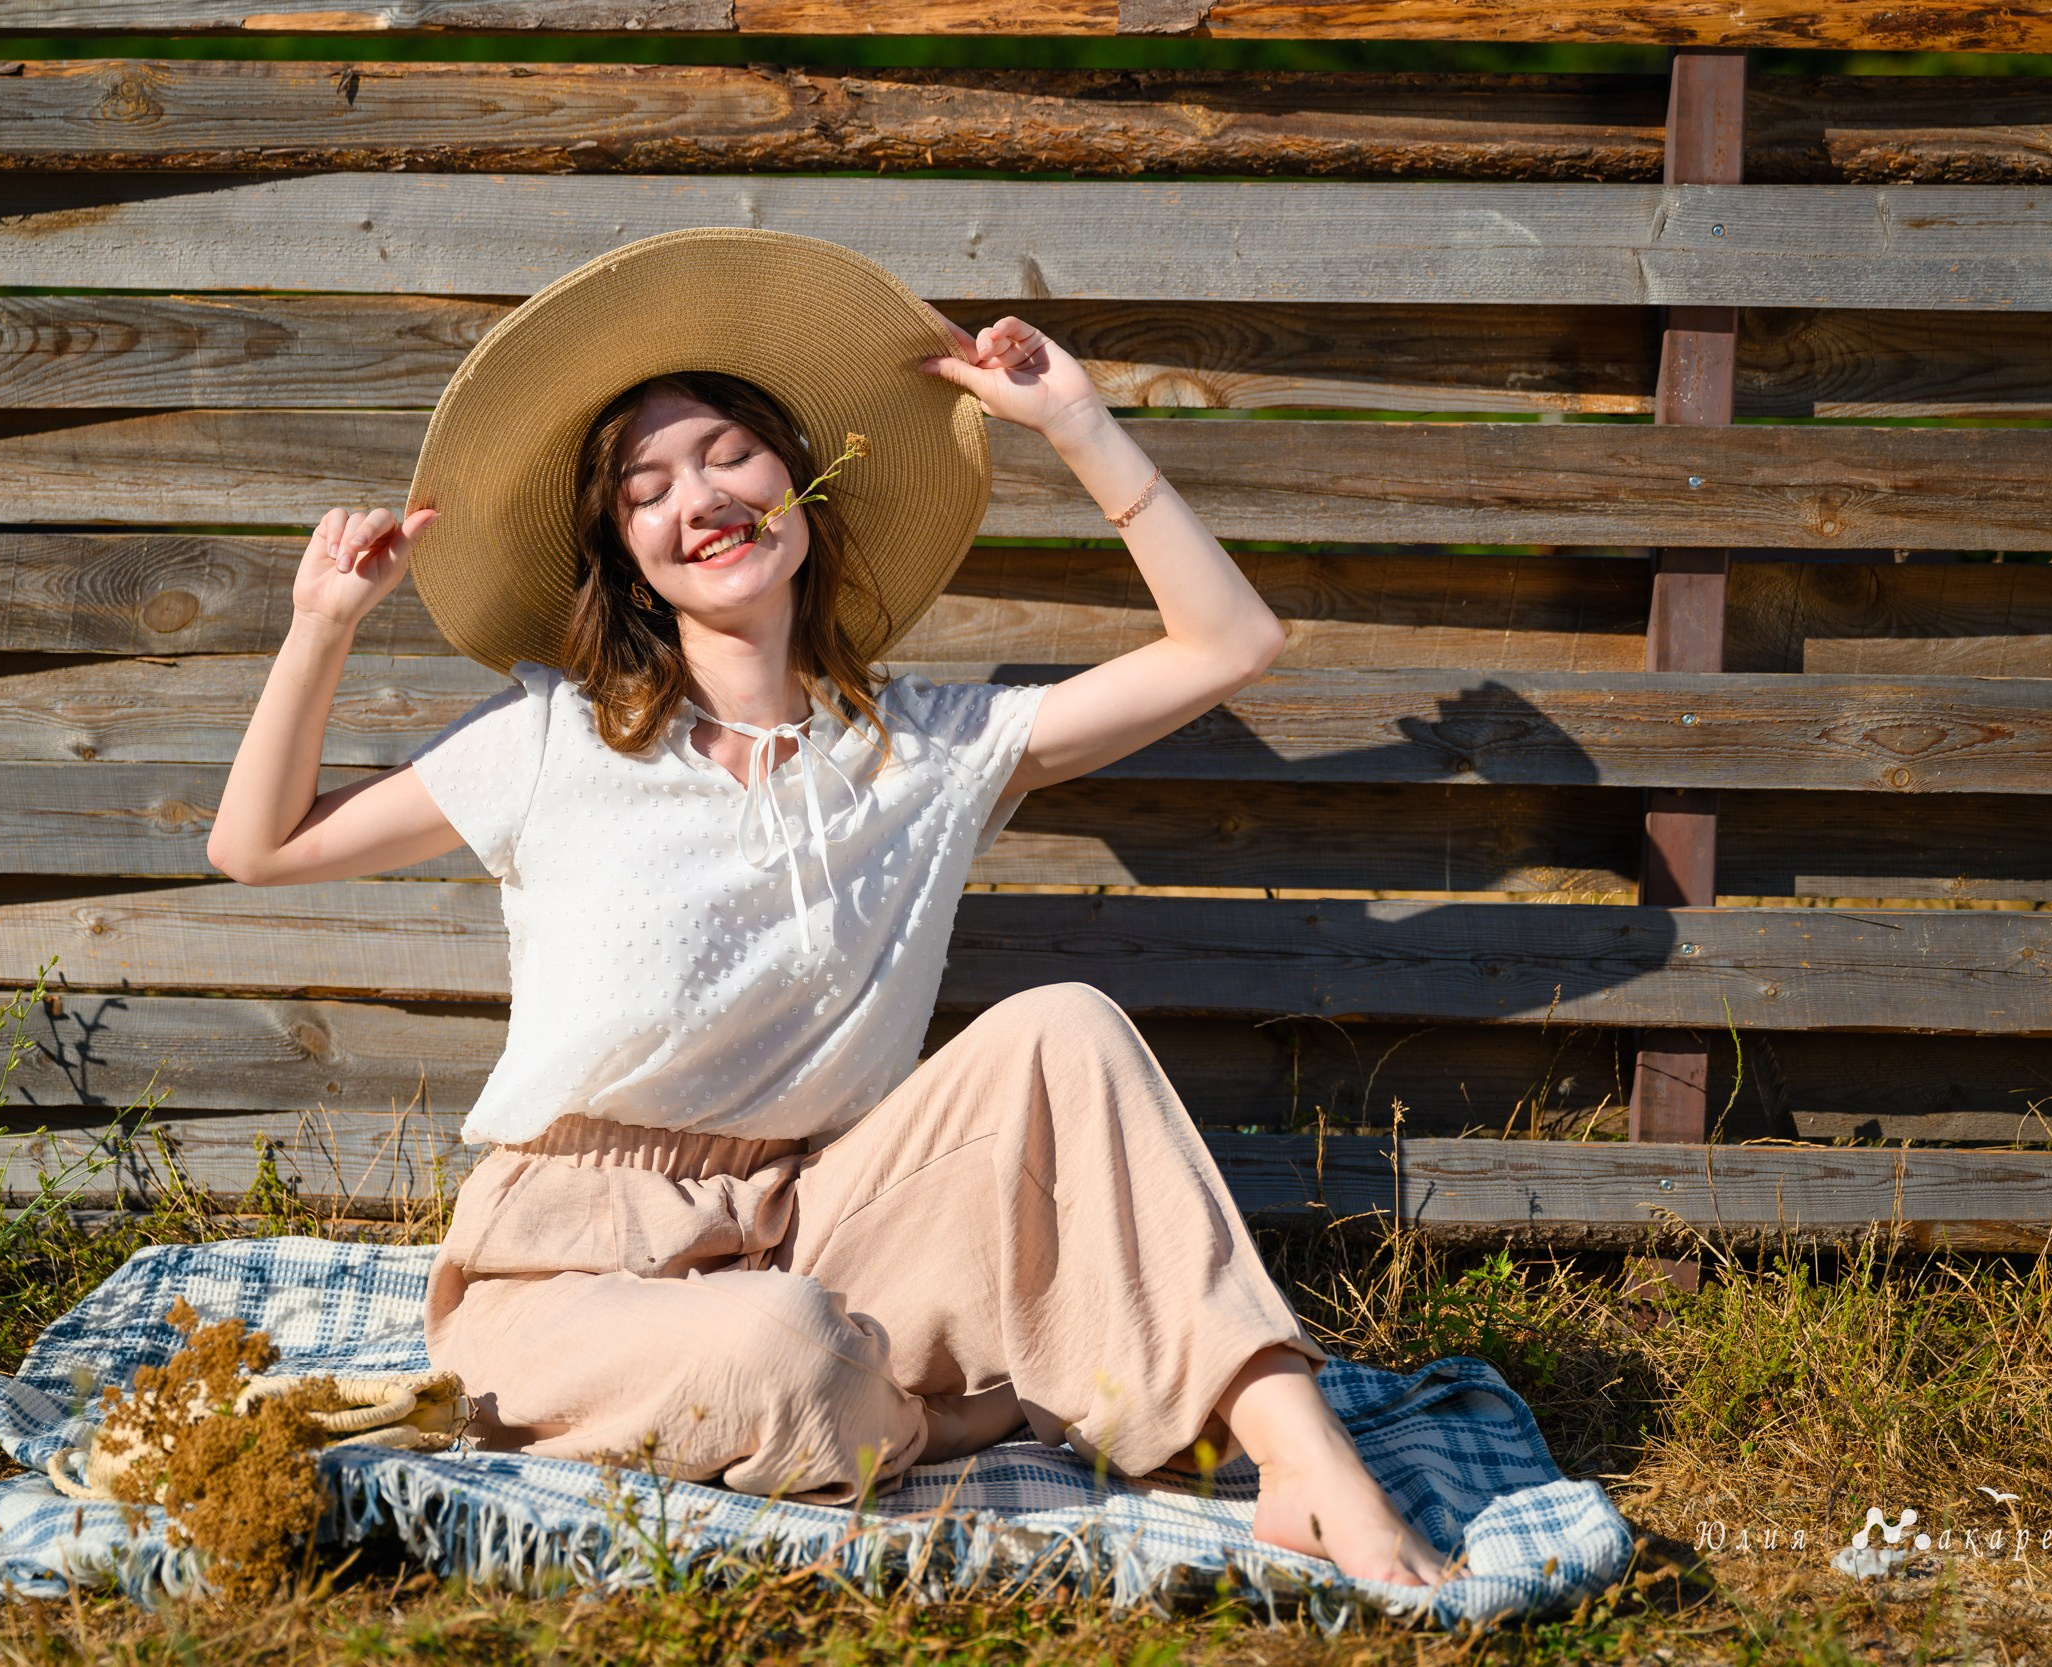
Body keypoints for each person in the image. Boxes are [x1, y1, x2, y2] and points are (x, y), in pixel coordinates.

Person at [206, 229, 1451, 1588]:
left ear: (800, 483)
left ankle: (1304, 1464)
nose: (700, 495)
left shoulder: (929, 751)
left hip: (830, 1217)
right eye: (646, 487)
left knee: (1068, 1028)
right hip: (564, 1269)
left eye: (728, 453)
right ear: (629, 561)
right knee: (777, 1354)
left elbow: (1231, 645)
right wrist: (322, 625)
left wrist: (1079, 424)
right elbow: (256, 847)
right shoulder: (554, 741)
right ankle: (981, 1407)